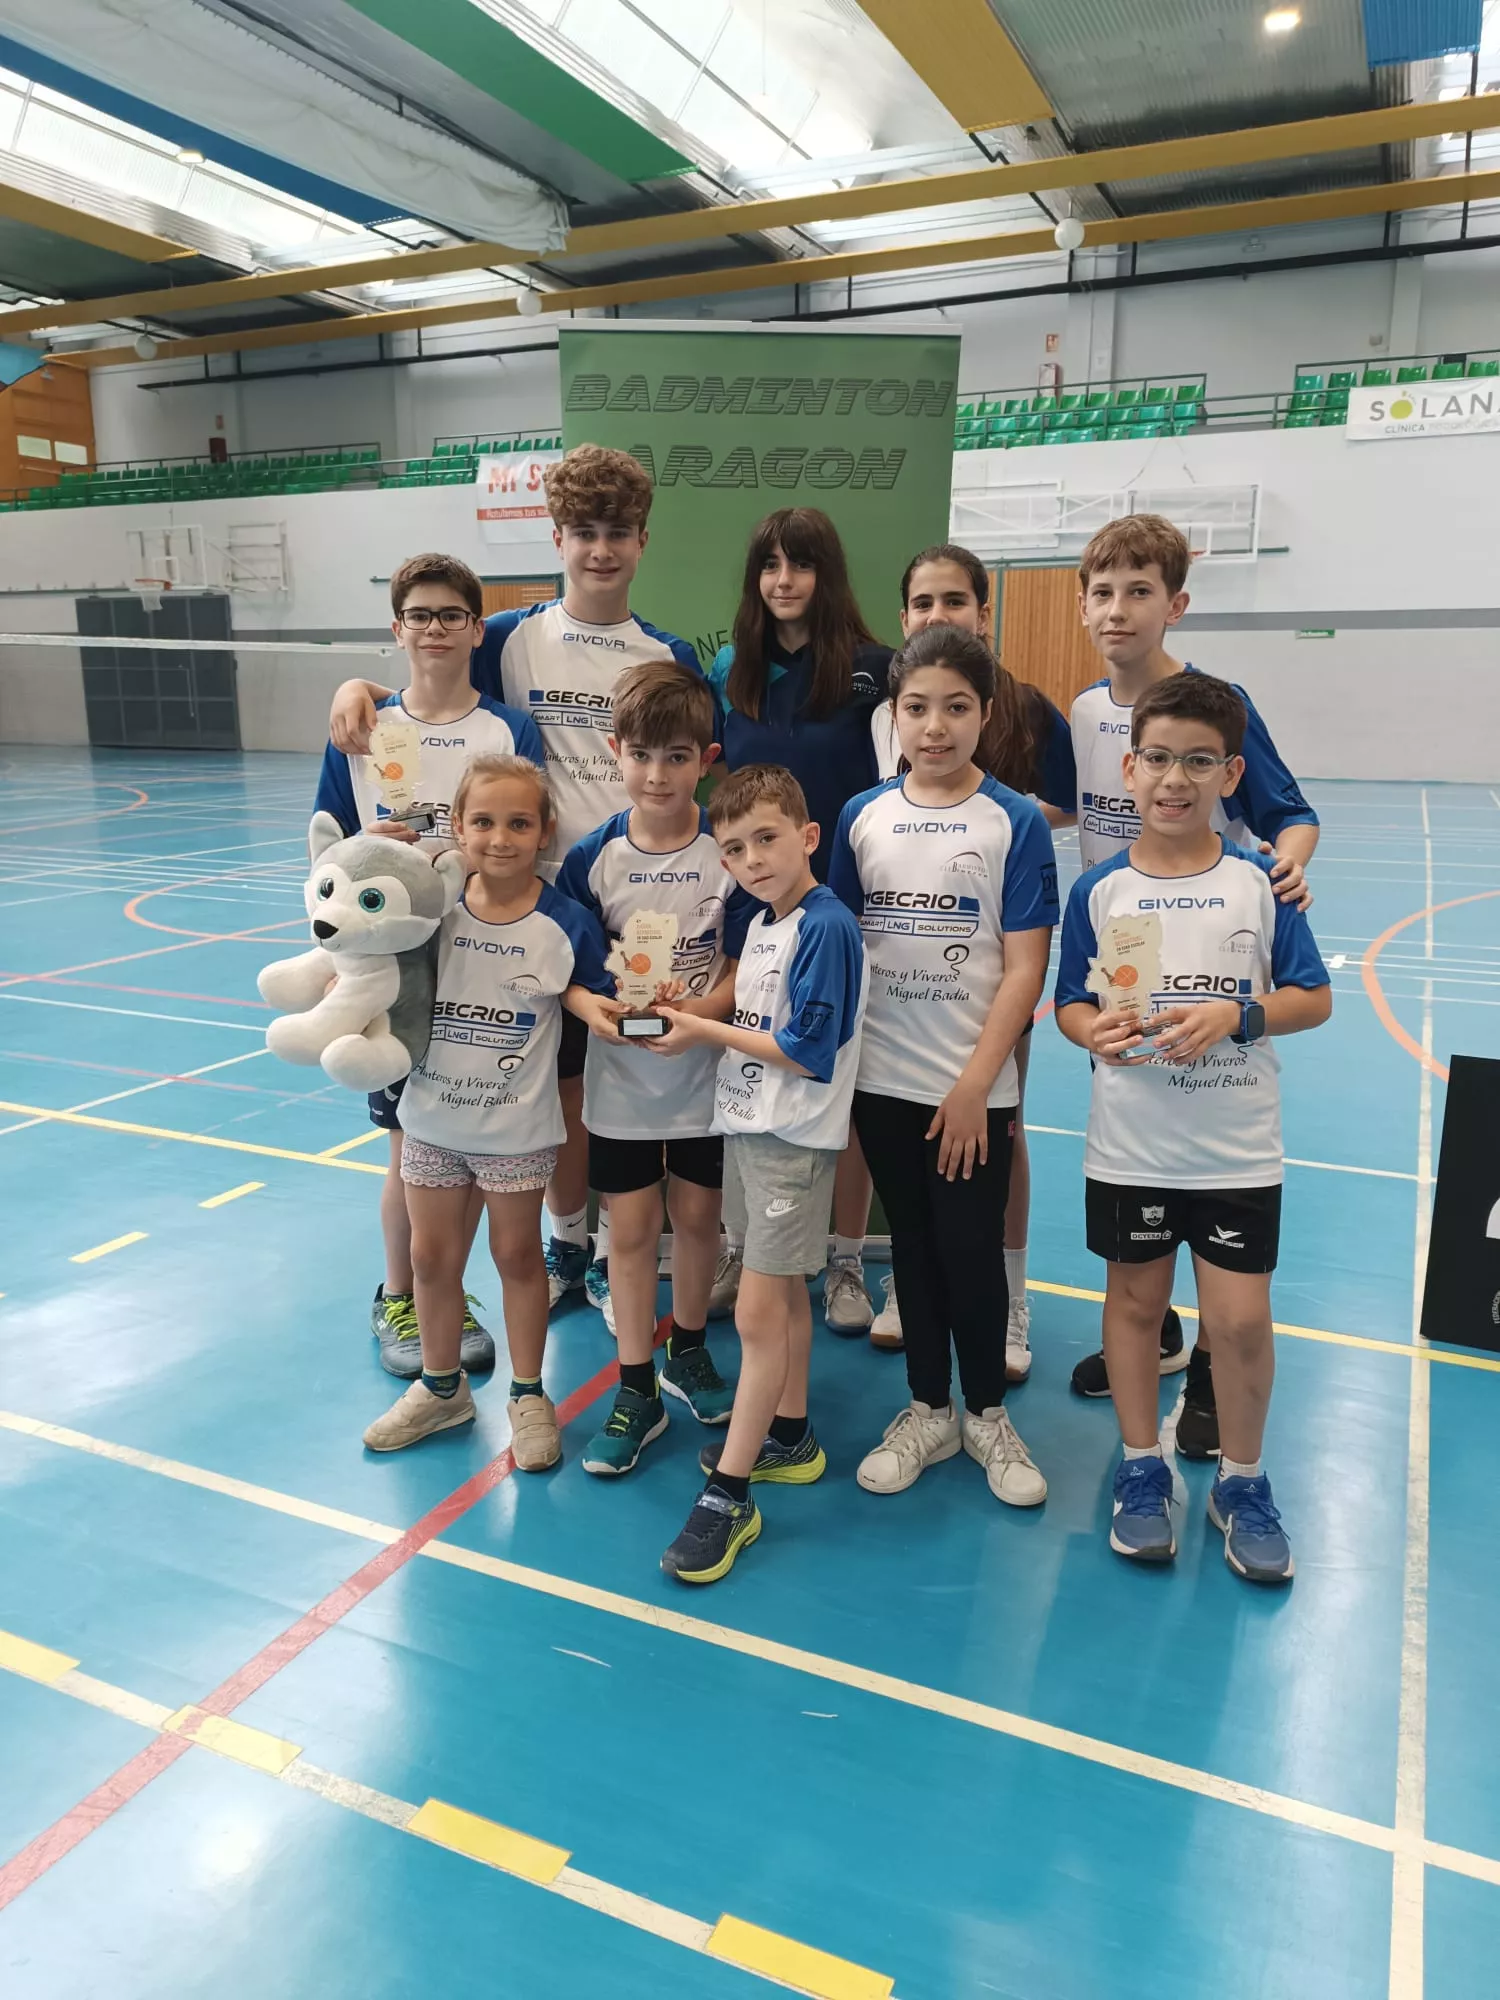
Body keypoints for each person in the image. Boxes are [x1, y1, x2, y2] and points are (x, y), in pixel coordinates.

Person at [326, 445, 701, 1339]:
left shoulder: (669, 654)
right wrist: (358, 688)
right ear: (558, 537)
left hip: (619, 908)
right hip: (506, 904)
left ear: (642, 542)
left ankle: (601, 1247)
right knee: (526, 1095)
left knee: (596, 1089)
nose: (600, 550)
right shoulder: (507, 636)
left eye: (618, 533)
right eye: (584, 532)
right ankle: (549, 1253)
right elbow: (429, 670)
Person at [1054, 673, 1331, 1582]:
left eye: (1200, 762)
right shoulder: (1098, 891)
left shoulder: (1260, 884)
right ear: (1129, 768)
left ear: (1231, 773)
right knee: (1135, 1306)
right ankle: (1142, 1468)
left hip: (1235, 1150)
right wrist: (1092, 1030)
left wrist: (1238, 1017)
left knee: (1240, 1321)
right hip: (1131, 1146)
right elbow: (1070, 1003)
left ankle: (1242, 1482)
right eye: (1160, 759)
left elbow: (1313, 998)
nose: (1176, 779)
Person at [1065, 513, 1322, 1449]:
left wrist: (1286, 870)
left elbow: (1289, 812)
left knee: (1215, 1199)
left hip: (1214, 953)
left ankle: (1212, 1375)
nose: (1118, 610)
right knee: (1143, 1173)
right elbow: (1055, 801)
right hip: (1124, 964)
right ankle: (1156, 1333)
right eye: (1103, 592)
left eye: (1139, 591)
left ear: (1173, 603)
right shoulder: (1084, 713)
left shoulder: (1215, 704)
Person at [829, 625, 1057, 1506]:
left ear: (985, 713)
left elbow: (1025, 968)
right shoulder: (862, 816)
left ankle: (988, 1415)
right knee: (914, 1254)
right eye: (917, 707)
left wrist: (974, 1087)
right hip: (882, 1084)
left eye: (956, 707)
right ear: (894, 714)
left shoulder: (1015, 822)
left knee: (970, 1252)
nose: (935, 726)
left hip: (972, 1091)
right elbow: (840, 945)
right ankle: (929, 1408)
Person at [314, 551, 544, 1380]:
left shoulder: (507, 730)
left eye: (451, 615)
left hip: (484, 965)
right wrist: (366, 855)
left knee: (466, 1143)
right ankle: (401, 1296)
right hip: (398, 974)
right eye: (420, 615)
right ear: (397, 628)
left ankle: (446, 1293)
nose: (435, 628)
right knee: (406, 1142)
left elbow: (528, 831)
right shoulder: (360, 730)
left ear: (478, 629)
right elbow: (327, 855)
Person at [361, 754, 617, 1458]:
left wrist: (599, 1007)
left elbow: (588, 989)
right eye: (483, 822)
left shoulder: (566, 922)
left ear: (544, 831)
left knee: (517, 1255)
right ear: (457, 826)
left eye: (518, 824)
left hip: (515, 1129)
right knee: (430, 1257)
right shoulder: (431, 911)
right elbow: (365, 942)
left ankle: (529, 1395)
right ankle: (441, 1390)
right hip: (432, 1120)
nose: (500, 838)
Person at [650, 766, 867, 1583]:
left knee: (757, 1312)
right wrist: (689, 1013)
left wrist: (702, 1034)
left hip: (791, 1142)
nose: (753, 860)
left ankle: (731, 1496)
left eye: (767, 839)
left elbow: (808, 1052)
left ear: (808, 837)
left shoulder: (827, 926)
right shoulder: (769, 924)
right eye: (736, 849)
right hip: (749, 1127)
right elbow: (757, 1018)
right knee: (778, 1301)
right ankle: (791, 1436)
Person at [867, 543, 1076, 1364]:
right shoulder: (874, 770)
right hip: (894, 1025)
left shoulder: (1022, 726)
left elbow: (1067, 804)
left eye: (954, 600)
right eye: (923, 602)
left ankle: (1009, 1296)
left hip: (985, 985)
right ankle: (904, 1289)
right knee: (912, 1198)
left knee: (994, 1133)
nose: (938, 614)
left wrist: (997, 831)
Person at [556, 662, 751, 1474]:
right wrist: (592, 1008)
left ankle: (689, 1351)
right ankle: (636, 1386)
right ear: (616, 752)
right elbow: (563, 965)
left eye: (676, 757)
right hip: (622, 1085)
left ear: (706, 759)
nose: (658, 775)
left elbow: (748, 961)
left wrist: (701, 1016)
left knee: (700, 1220)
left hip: (706, 1079)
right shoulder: (592, 857)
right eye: (641, 755)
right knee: (632, 1233)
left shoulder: (728, 850)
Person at [706, 507, 891, 1336]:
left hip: (837, 910)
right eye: (771, 565)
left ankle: (844, 1257)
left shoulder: (873, 670)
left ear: (827, 574)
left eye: (802, 564)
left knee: (834, 1087)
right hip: (754, 911)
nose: (785, 581)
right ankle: (745, 1248)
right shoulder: (731, 667)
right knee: (750, 1076)